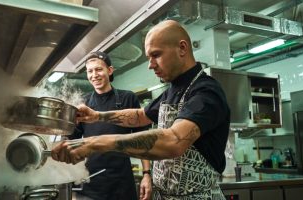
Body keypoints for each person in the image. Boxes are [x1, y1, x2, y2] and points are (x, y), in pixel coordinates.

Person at [52, 20, 230, 199]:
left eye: (156, 55)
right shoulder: (173, 91)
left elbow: (173, 141)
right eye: (148, 57)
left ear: (182, 48)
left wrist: (94, 143)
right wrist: (97, 116)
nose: (150, 65)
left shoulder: (205, 92)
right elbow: (139, 116)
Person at [68, 51, 152, 200]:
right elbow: (71, 140)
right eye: (90, 71)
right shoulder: (82, 103)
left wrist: (146, 174)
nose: (94, 75)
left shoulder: (128, 98)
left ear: (110, 70)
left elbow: (143, 139)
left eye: (99, 69)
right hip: (90, 182)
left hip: (122, 183)